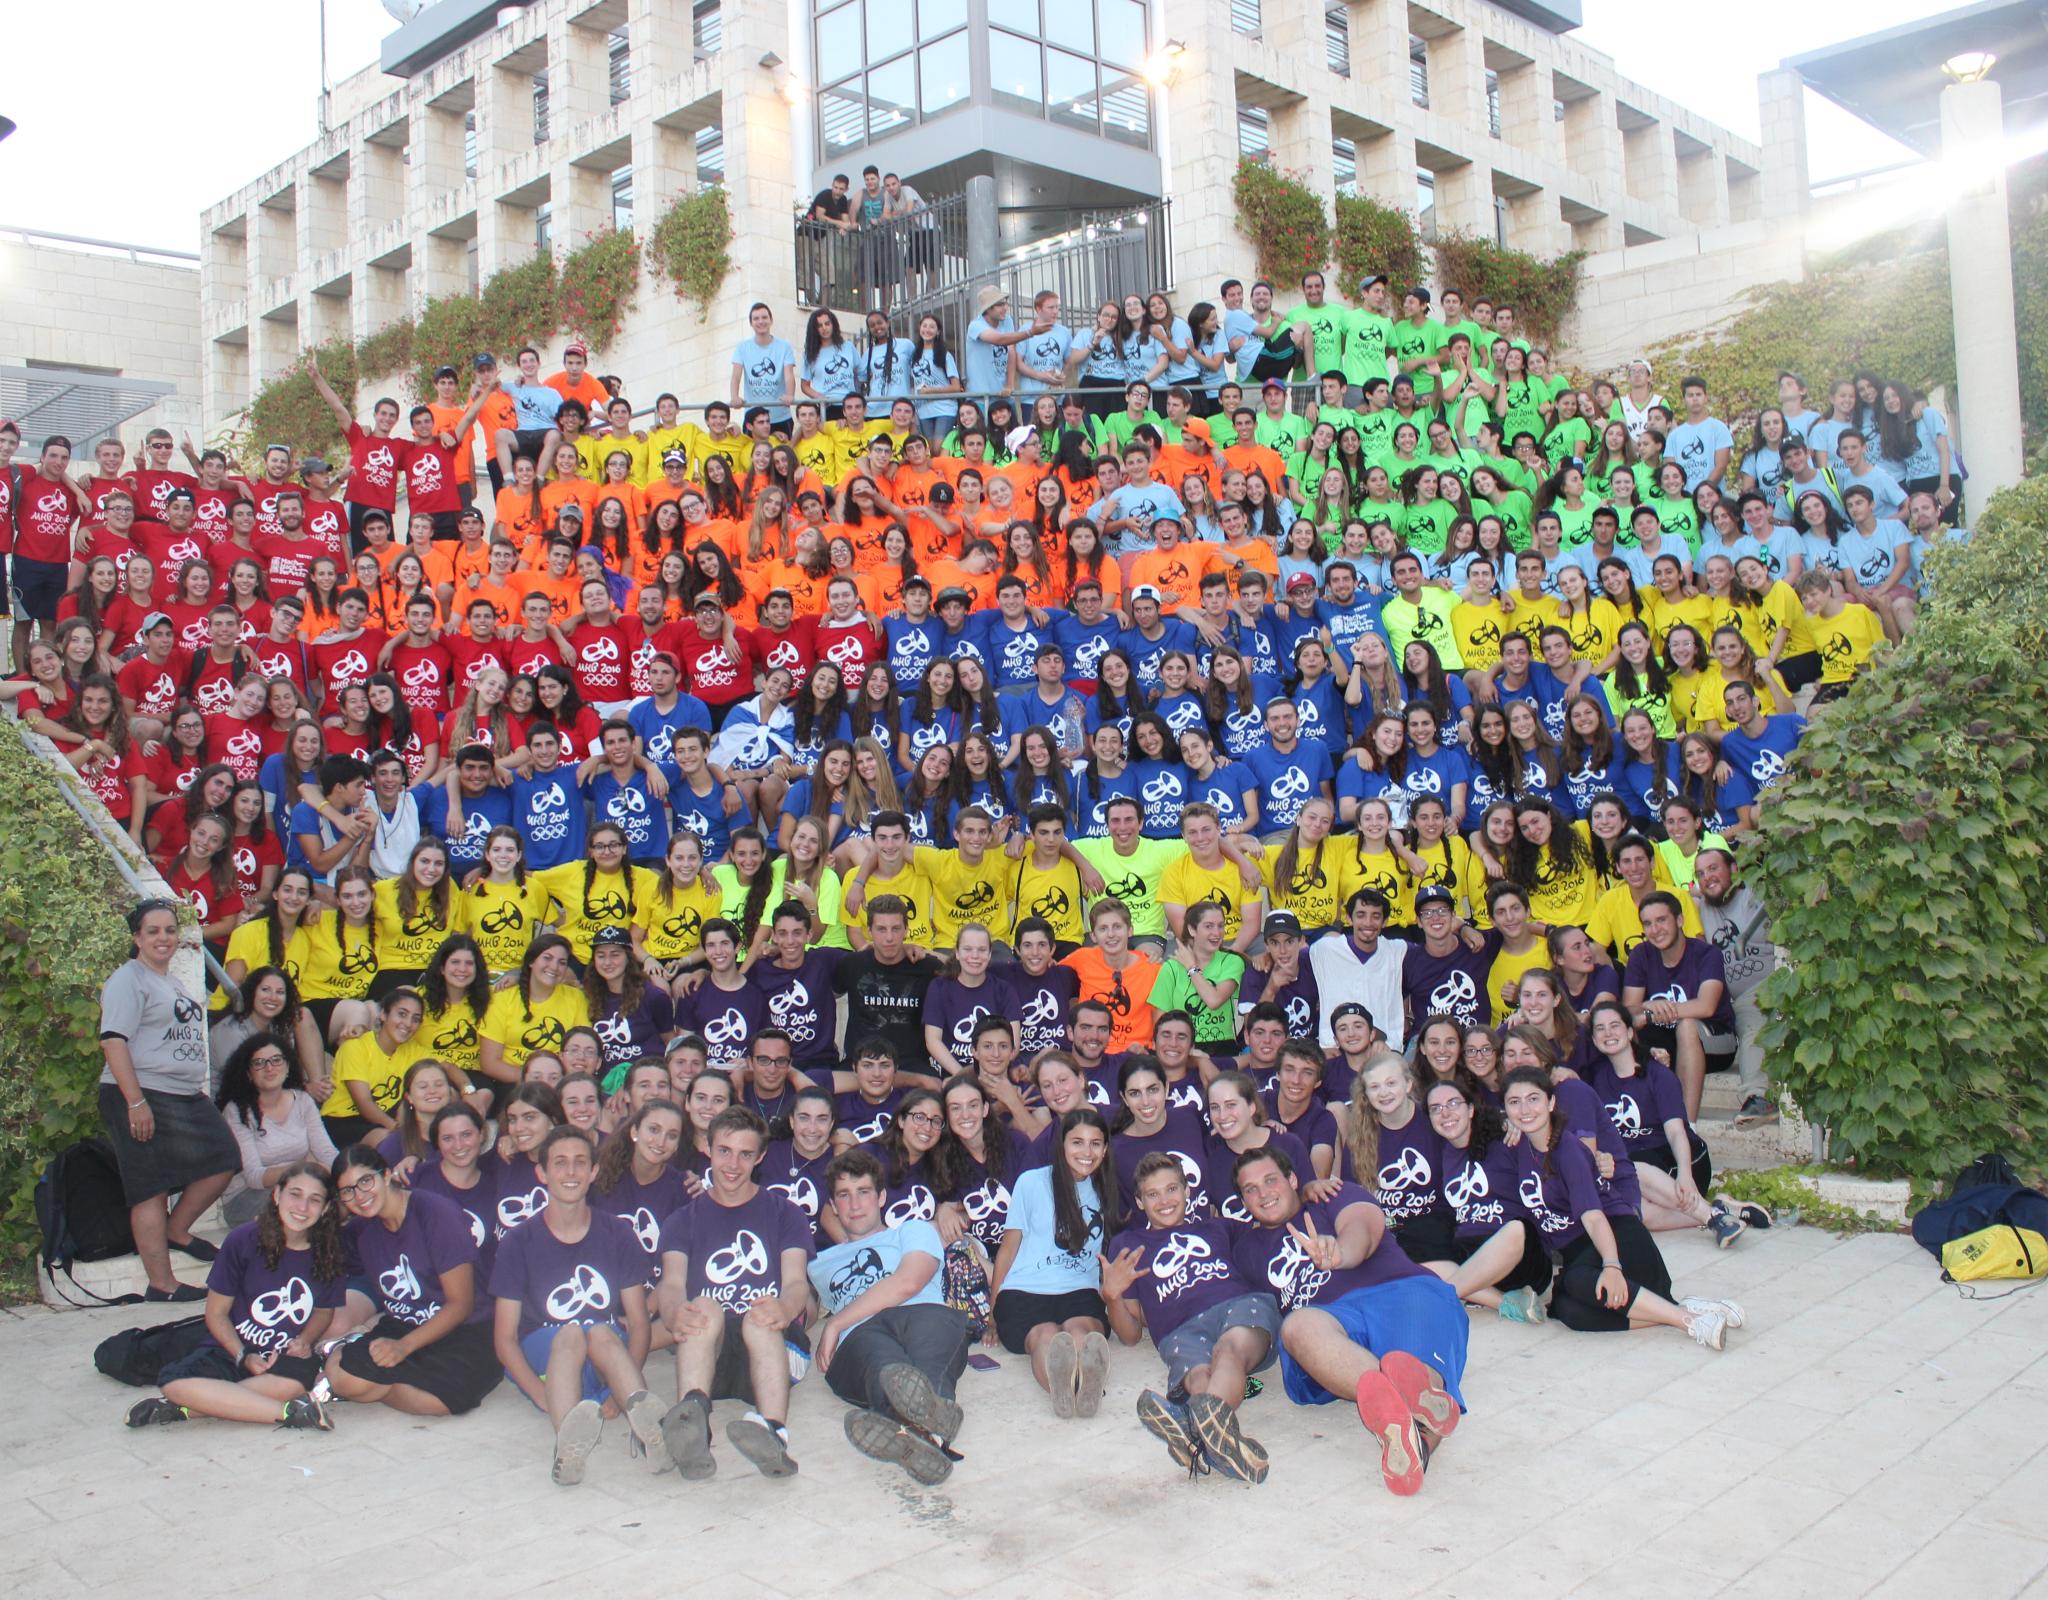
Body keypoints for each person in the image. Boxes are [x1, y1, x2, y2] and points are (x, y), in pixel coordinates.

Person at [1228, 1144, 1468, 1496]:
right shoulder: (1245, 1249)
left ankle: (1407, 1429)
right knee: (1296, 1326)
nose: (1263, 1193)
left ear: (1293, 1179)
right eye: (1251, 1189)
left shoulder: (1333, 1195)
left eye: (1270, 1180)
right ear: (1243, 1202)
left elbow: (1363, 1230)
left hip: (1398, 1291)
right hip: (1330, 1322)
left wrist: (1340, 1252)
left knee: (1413, 1361)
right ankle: (1408, 1404)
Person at [1498, 1069, 1744, 1346]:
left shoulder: (1567, 1151)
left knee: (1576, 1283)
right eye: (1514, 1102)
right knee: (1566, 1310)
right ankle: (1685, 1308)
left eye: (1533, 1099)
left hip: (1619, 1241)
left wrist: (1612, 1266)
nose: (1525, 1109)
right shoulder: (1518, 1146)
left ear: (1551, 1103)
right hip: (1583, 1253)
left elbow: (1593, 1217)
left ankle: (1689, 1322)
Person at [489, 1124, 668, 1485]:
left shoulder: (617, 1232)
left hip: (603, 1351)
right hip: (546, 1351)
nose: (570, 1172)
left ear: (594, 1172)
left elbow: (639, 1321)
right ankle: (568, 1445)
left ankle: (651, 1432)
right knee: (571, 1335)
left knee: (602, 1332)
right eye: (560, 1163)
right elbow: (504, 1338)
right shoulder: (518, 1241)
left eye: (579, 1162)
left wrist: (618, 1394)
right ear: (542, 1173)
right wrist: (538, 1394)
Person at [122, 1160, 345, 1431]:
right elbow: (215, 1314)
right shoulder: (243, 1240)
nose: (302, 1207)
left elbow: (324, 1311)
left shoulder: (329, 1251)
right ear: (276, 1195)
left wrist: (304, 1341)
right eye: (295, 1194)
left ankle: (191, 1407)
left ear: (326, 1209)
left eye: (314, 1200)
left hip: (283, 1357)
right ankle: (290, 1411)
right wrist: (243, 1355)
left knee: (294, 1382)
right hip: (231, 1348)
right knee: (172, 1382)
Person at [655, 1107, 813, 1480]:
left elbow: (795, 1283)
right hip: (712, 1352)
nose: (733, 1164)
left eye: (745, 1154)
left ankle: (774, 1431)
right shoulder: (683, 1220)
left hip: (773, 1345)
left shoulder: (784, 1213)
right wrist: (675, 1311)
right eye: (724, 1151)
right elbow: (672, 1284)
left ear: (759, 1158)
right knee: (704, 1307)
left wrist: (784, 1309)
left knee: (760, 1316)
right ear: (708, 1149)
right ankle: (692, 1421)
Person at [1103, 1150, 1280, 1483]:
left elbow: (1270, 1231)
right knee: (1199, 1379)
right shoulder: (1128, 1246)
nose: (1165, 1200)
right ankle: (1214, 1441)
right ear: (1140, 1203)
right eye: (1152, 1194)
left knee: (1227, 1352)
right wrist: (1111, 1296)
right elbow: (1128, 1335)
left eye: (1172, 1189)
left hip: (1237, 1307)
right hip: (1179, 1330)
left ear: (1187, 1191)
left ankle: (1190, 1429)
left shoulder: (1219, 1228)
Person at [97, 900, 241, 1301]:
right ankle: (162, 1284)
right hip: (140, 1092)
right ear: (137, 938)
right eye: (153, 931)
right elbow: (113, 1041)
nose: (163, 938)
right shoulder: (130, 978)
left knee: (224, 1158)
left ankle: (177, 1229)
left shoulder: (171, 981)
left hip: (182, 1095)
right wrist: (135, 1102)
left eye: (169, 930)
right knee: (149, 1187)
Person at [807, 1148, 971, 1485]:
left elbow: (909, 1281)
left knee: (928, 1356)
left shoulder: (912, 1231)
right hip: (862, 1335)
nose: (854, 1205)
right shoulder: (819, 1264)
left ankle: (908, 1436)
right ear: (833, 1207)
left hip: (921, 1313)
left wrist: (835, 1323)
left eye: (863, 1192)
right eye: (844, 1196)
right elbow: (802, 1306)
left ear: (881, 1197)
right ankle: (932, 1435)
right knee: (885, 1367)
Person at [323, 1145, 504, 1416]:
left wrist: (403, 1348)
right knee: (344, 1379)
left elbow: (461, 1305)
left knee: (441, 1402)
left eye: (365, 1181)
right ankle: (349, 1353)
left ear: (386, 1175)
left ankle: (382, 1381)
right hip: (403, 1324)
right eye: (348, 1191)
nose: (359, 1196)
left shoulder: (436, 1214)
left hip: (467, 1327)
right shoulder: (363, 1230)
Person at [992, 1108, 1122, 1417]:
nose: (1086, 1152)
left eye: (1095, 1143)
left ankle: (1081, 1384)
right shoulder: (1032, 1182)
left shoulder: (1107, 1189)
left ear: (1105, 1149)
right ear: (1062, 1144)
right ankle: (1067, 1389)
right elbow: (1008, 1249)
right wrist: (993, 1312)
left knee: (1082, 1334)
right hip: (1025, 1290)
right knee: (1045, 1337)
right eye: (1077, 1142)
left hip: (1079, 1290)